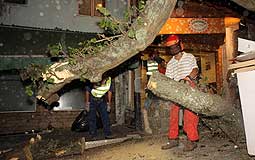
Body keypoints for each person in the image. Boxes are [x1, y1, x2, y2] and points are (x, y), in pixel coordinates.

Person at [161, 35, 199, 151]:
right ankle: (173, 139)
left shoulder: (189, 57)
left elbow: (195, 70)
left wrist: (188, 77)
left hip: (189, 85)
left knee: (190, 114)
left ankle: (192, 140)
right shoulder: (171, 63)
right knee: (173, 114)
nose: (174, 49)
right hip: (176, 88)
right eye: (171, 47)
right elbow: (168, 79)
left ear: (180, 45)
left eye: (175, 46)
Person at [143, 52, 166, 134]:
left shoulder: (150, 63)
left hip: (154, 88)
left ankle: (150, 127)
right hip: (153, 88)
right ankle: (148, 127)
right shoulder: (155, 62)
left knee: (153, 108)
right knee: (150, 108)